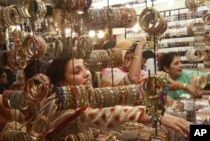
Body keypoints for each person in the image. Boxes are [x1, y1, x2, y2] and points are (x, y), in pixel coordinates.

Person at [43, 57, 190, 140]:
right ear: (61, 83)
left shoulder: (87, 96)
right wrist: (152, 115)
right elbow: (99, 115)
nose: (87, 73)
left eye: (85, 67)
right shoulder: (55, 104)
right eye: (77, 71)